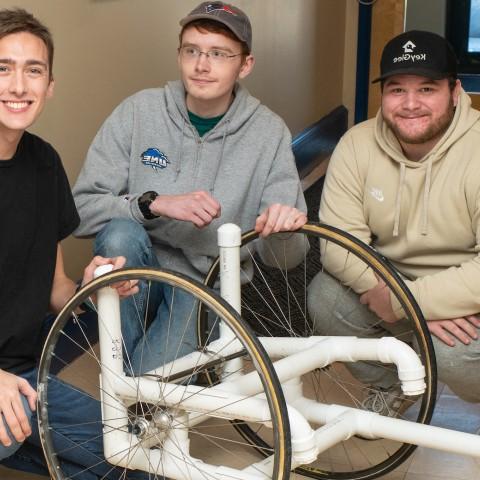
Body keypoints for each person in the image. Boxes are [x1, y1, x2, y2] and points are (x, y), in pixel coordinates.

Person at [73, 2, 307, 374]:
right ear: (179, 54)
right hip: (138, 267)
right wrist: (155, 203)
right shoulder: (138, 112)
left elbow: (286, 260)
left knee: (144, 386)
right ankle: (141, 379)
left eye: (218, 54)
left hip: (204, 283)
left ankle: (134, 380)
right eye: (192, 50)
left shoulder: (268, 132)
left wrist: (283, 230)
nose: (202, 65)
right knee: (119, 233)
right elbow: (81, 211)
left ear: (245, 64)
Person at [0, 8, 144, 479]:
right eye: (3, 68)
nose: (19, 86)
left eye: (33, 70)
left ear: (49, 86)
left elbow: (54, 288)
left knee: (134, 460)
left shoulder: (44, 164)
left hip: (23, 375)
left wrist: (91, 287)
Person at [308, 30, 480, 407]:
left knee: (451, 353)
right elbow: (339, 246)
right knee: (325, 297)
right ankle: (391, 385)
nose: (410, 103)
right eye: (397, 89)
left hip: (467, 303)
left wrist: (410, 303)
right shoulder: (357, 143)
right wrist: (403, 302)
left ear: (454, 92)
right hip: (388, 289)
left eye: (427, 89)